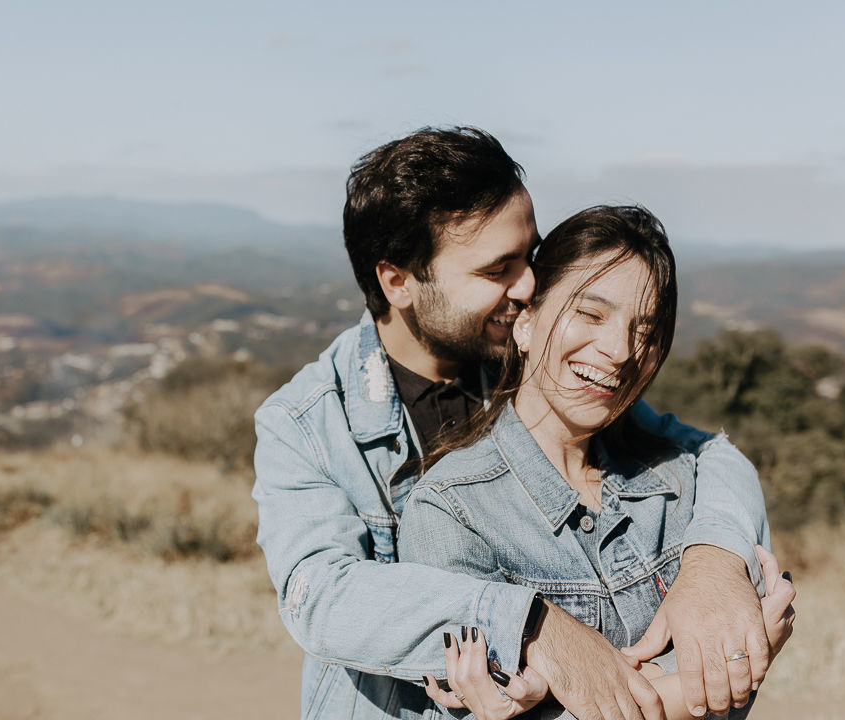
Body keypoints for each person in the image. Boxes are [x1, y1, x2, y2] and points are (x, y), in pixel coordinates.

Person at [253, 127, 771, 720]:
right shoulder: (307, 422)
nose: (528, 285)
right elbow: (320, 598)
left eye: (530, 253)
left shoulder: (527, 363)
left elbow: (704, 455)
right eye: (498, 268)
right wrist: (529, 623)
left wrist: (715, 562)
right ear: (399, 282)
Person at [397, 206, 796, 719]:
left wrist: (718, 582)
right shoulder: (452, 511)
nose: (620, 350)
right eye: (591, 314)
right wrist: (736, 661)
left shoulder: (677, 482)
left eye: (646, 330)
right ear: (526, 321)